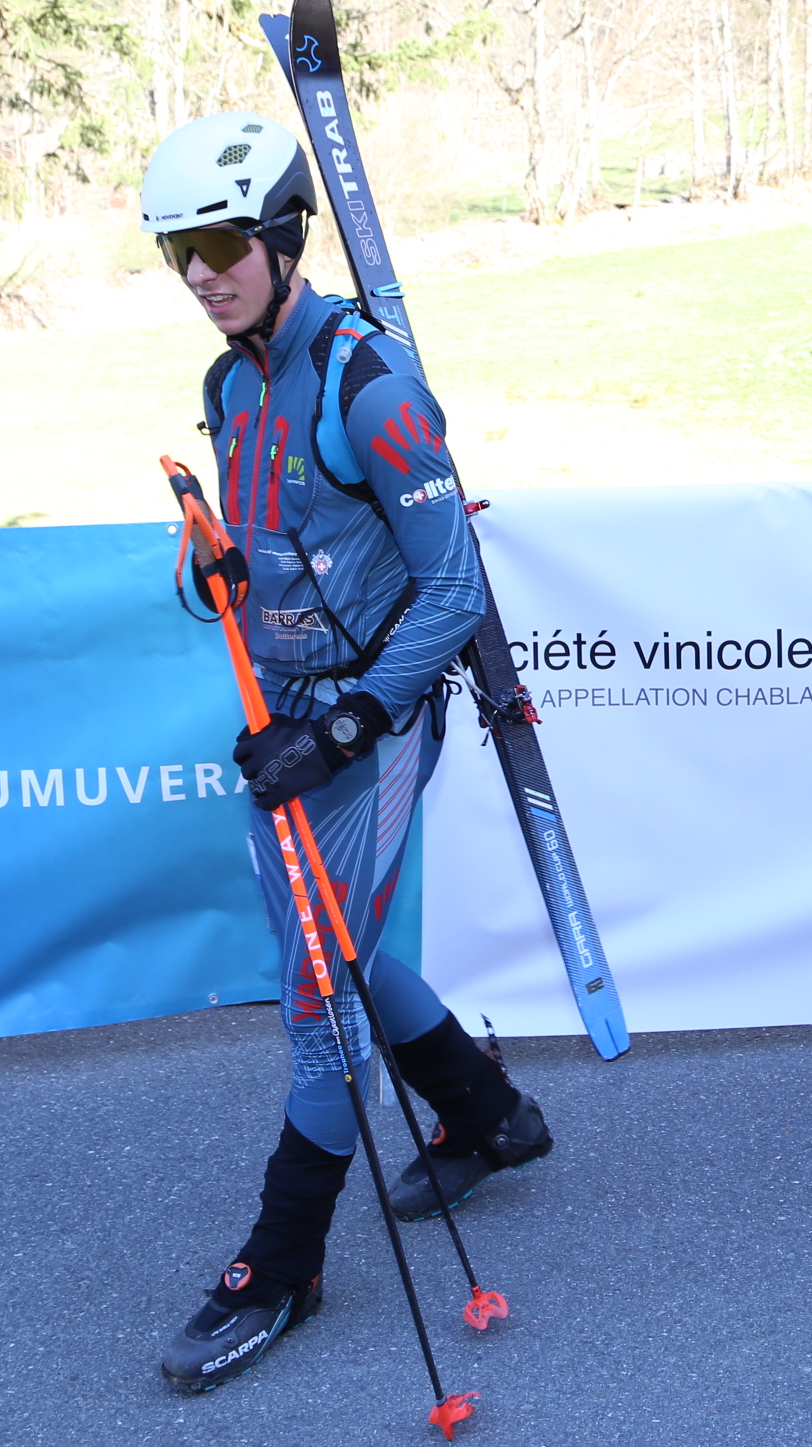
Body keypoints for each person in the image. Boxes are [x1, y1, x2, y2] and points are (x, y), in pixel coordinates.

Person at [142, 112, 555, 1393]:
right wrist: (224, 568)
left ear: (281, 236)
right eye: (177, 250)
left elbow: (454, 588)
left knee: (319, 992)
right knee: (341, 944)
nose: (201, 272)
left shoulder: (369, 389)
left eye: (222, 243)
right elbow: (278, 547)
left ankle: (283, 1266)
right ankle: (489, 1114)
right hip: (287, 720)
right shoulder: (230, 387)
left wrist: (346, 724)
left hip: (365, 727)